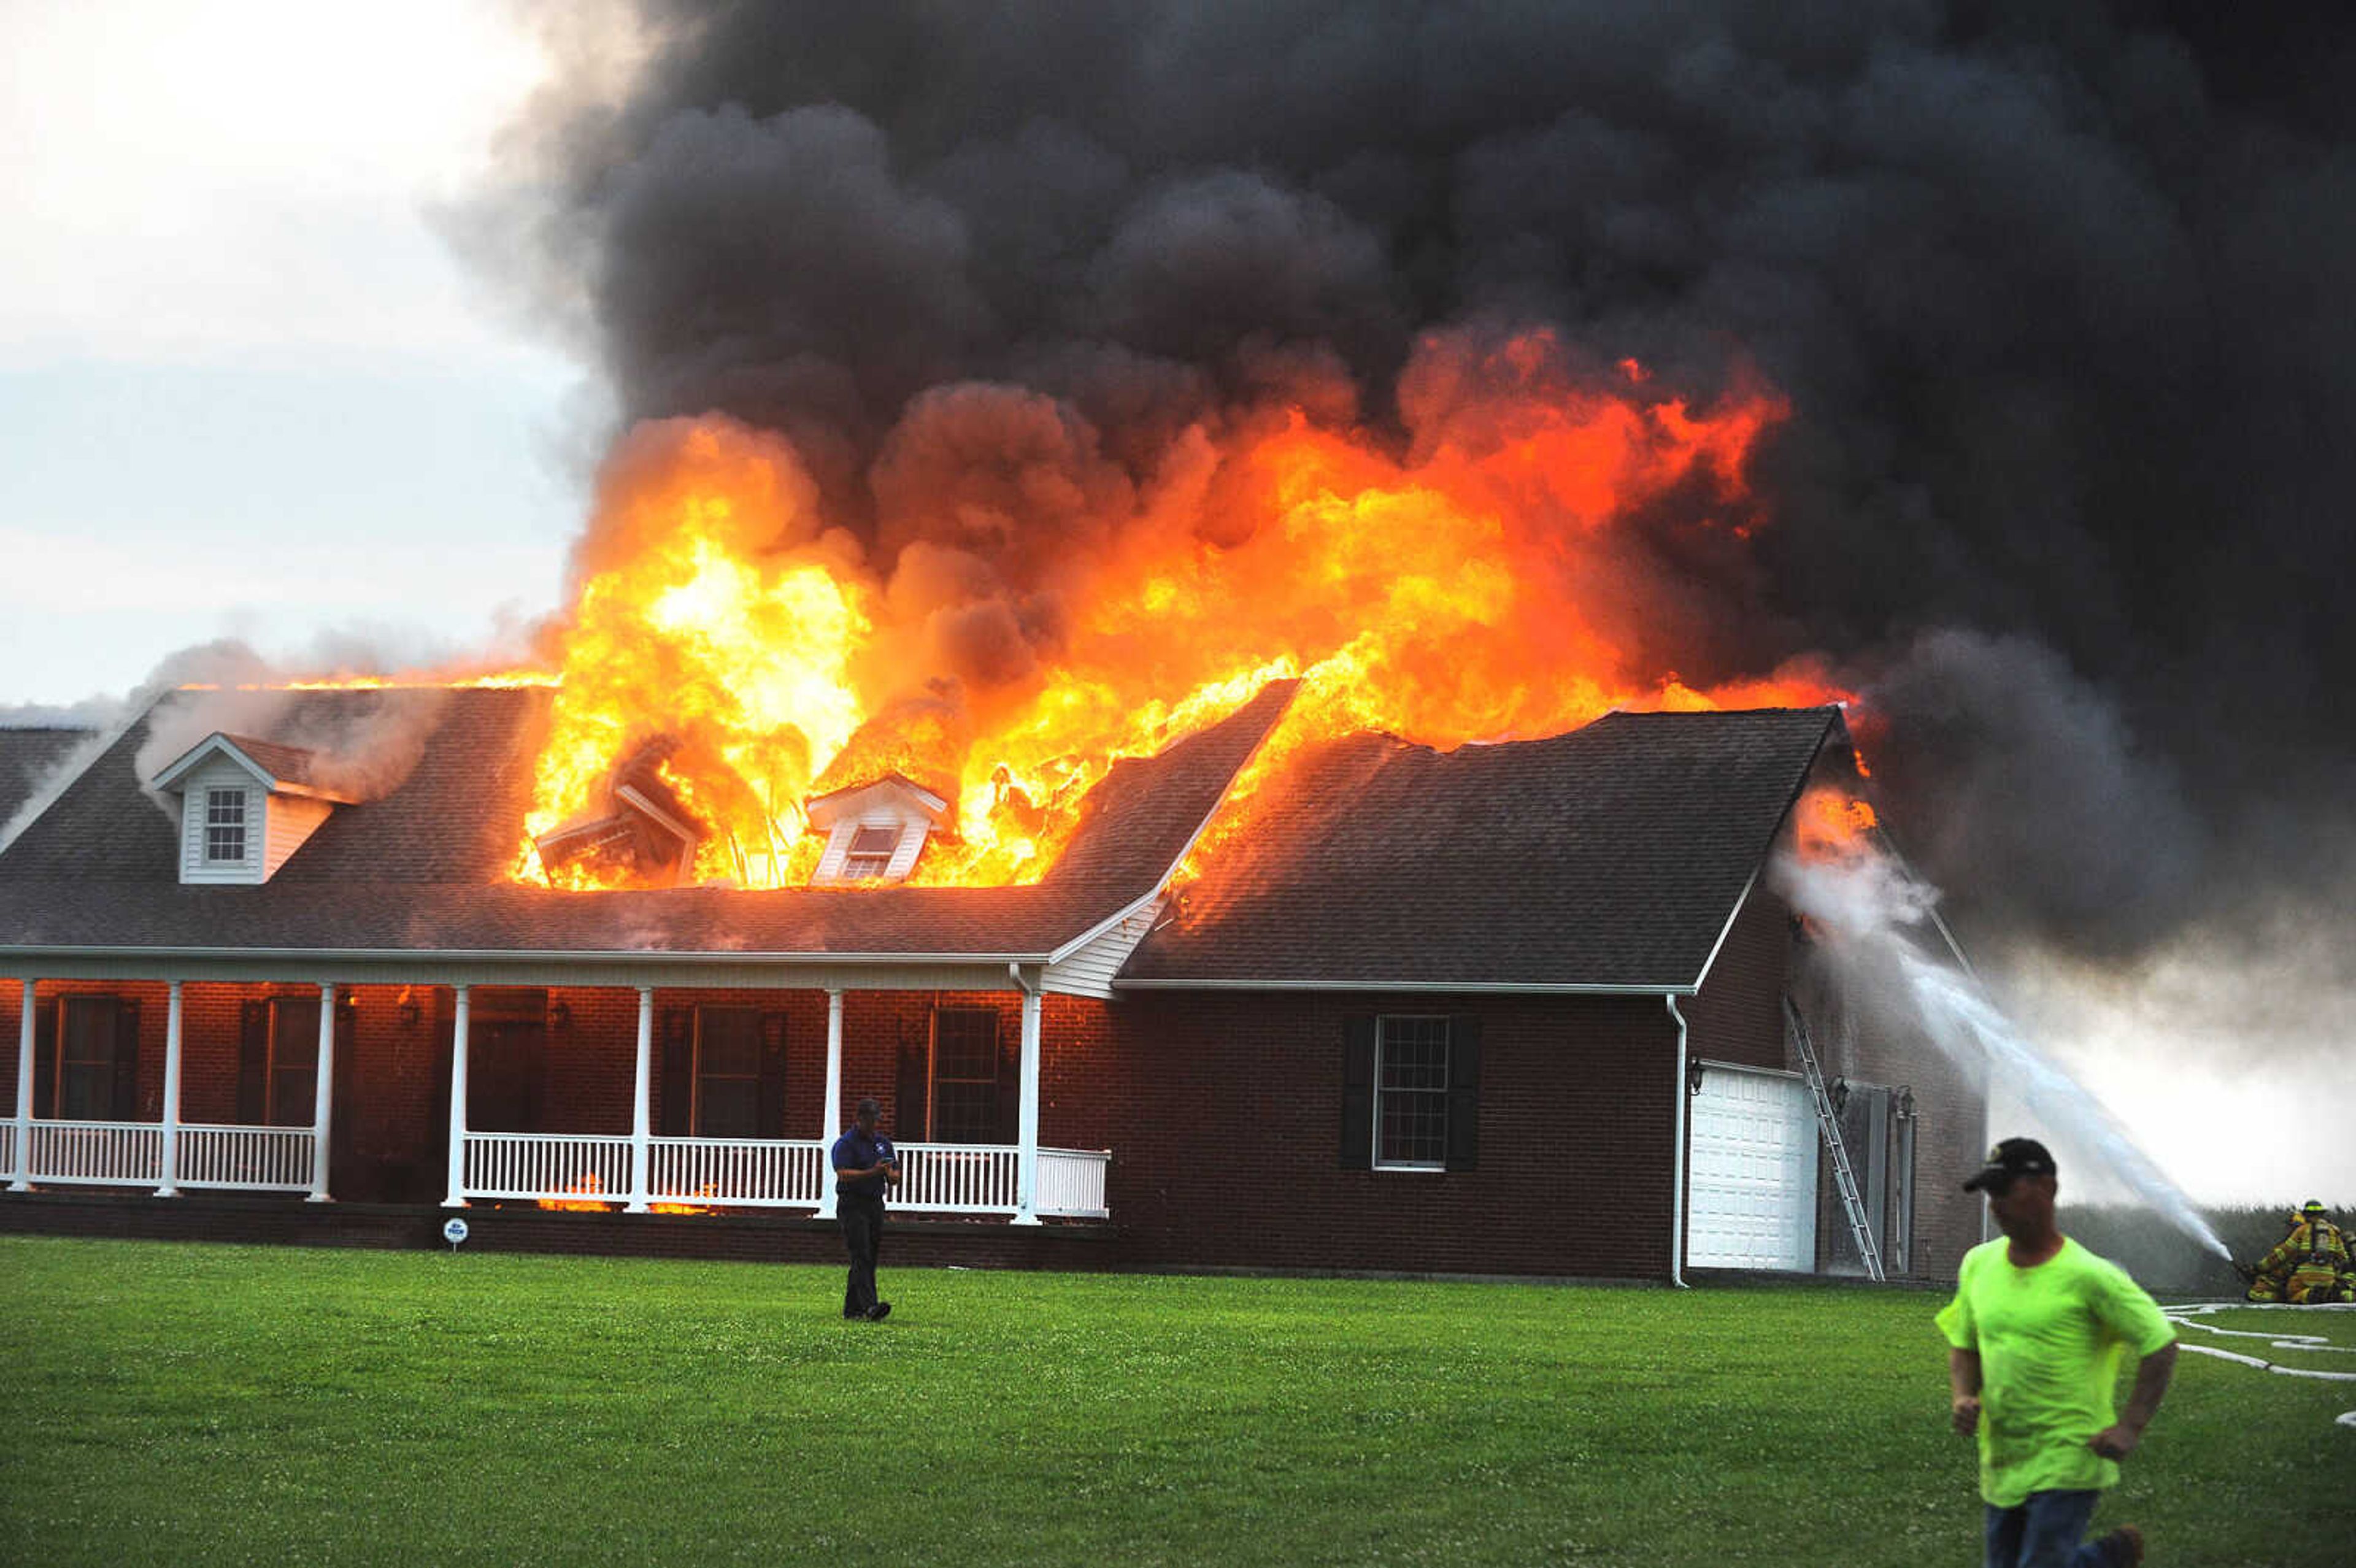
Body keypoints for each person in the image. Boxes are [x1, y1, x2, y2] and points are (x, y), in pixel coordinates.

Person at [1938, 1138, 2178, 1568]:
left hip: (2071, 1454)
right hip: (2004, 1458)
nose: (1994, 1205)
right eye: (1990, 1194)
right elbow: (1964, 1343)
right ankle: (2110, 1556)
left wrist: (2130, 1427)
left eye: (2004, 1191)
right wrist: (1962, 1396)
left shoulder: (2090, 1276)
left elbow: (2160, 1343)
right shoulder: (1978, 1264)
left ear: (2045, 1189)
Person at [830, 1096, 901, 1321]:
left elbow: (895, 1175)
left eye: (876, 1120)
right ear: (860, 1119)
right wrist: (873, 1171)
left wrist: (890, 1175)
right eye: (870, 1120)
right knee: (861, 1254)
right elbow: (843, 1174)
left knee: (869, 1255)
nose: (874, 1125)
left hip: (874, 1204)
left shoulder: (883, 1143)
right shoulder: (846, 1143)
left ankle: (852, 1310)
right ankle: (871, 1306)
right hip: (852, 1204)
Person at [2242, 1200, 2350, 1305]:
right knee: (2329, 1291)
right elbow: (2343, 1258)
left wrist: (2258, 1267)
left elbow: (2282, 1254)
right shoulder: (2334, 1232)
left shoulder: (2302, 1230)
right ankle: (2330, 1295)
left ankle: (2310, 1295)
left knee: (2292, 1294)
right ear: (2321, 1214)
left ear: (2306, 1215)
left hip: (2305, 1276)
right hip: (2328, 1278)